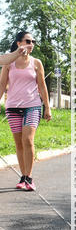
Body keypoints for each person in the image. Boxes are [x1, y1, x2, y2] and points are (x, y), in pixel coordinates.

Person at [0, 30, 52, 191]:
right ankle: (22, 176)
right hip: (13, 107)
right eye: (28, 41)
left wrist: (47, 107)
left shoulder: (36, 63)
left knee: (28, 140)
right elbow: (2, 85)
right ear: (19, 43)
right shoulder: (9, 63)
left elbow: (42, 86)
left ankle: (29, 177)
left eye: (33, 42)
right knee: (19, 143)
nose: (31, 44)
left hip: (32, 105)